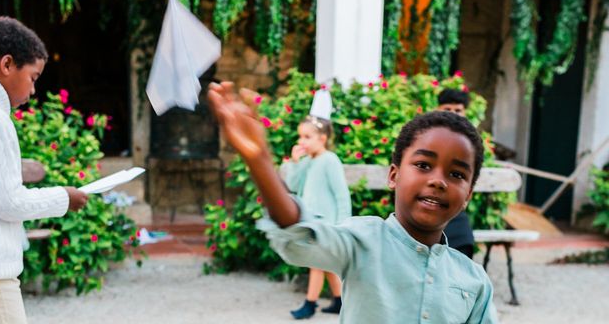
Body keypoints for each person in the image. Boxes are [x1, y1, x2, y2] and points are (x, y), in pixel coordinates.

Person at [208, 82, 498, 323]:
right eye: (423, 165)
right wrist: (259, 161)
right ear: (394, 175)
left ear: (468, 195)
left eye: (456, 173)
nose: (438, 180)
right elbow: (301, 234)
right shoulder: (362, 243)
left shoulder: (473, 281)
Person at [0, 17, 88, 324]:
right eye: (33, 77)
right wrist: (64, 197)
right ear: (7, 65)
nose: (34, 89)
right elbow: (9, 202)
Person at [285, 113, 351, 319]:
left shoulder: (329, 160)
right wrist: (295, 162)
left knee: (316, 263)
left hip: (327, 224)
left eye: (307, 137)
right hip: (311, 222)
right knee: (327, 265)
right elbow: (293, 186)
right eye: (300, 137)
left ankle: (310, 304)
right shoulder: (307, 161)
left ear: (322, 139)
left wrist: (343, 225)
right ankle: (341, 301)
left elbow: (341, 194)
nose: (301, 142)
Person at [437, 88, 476, 258]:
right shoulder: (425, 135)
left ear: (465, 113)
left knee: (462, 238)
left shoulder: (470, 142)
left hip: (454, 206)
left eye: (458, 110)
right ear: (437, 110)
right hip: (426, 203)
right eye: (447, 109)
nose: (453, 114)